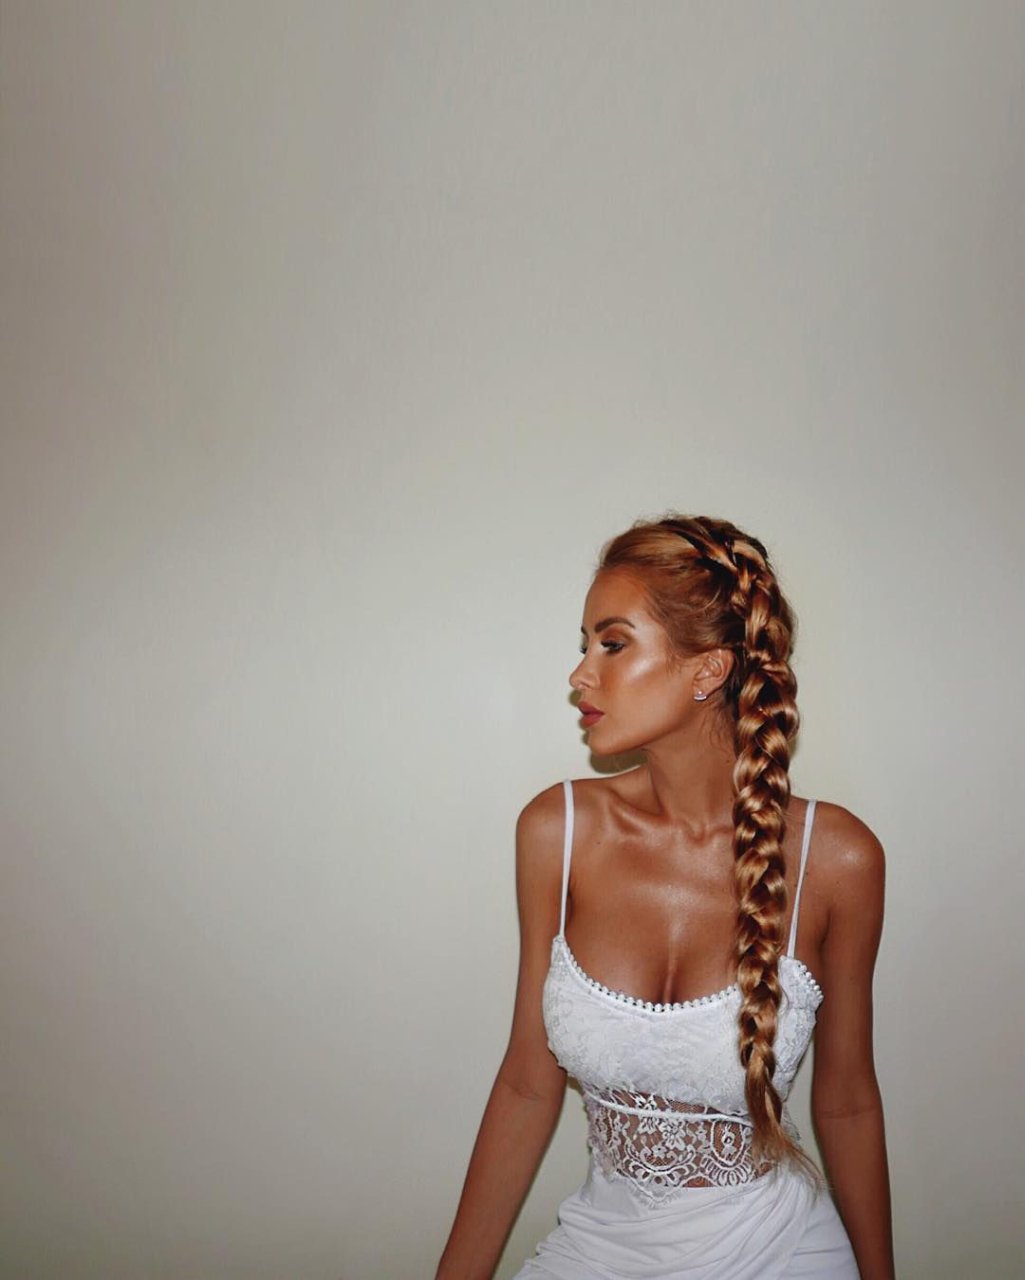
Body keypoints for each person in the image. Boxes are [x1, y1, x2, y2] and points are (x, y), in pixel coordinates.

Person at [436, 514, 893, 1280]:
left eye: (611, 644)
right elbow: (525, 1084)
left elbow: (846, 1101)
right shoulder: (557, 830)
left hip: (783, 1252)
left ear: (706, 670)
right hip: (598, 1248)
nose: (580, 675)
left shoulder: (836, 858)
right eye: (585, 645)